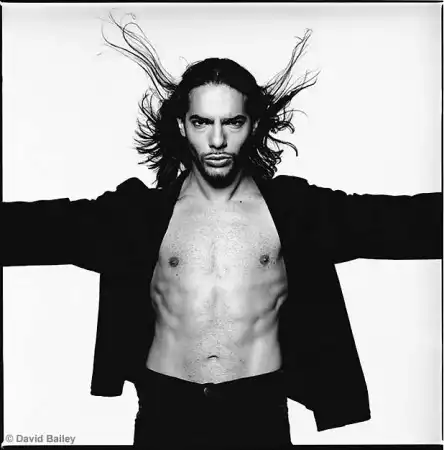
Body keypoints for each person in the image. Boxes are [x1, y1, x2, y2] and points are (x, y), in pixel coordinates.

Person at [3, 13, 442, 450]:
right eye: (201, 122)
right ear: (182, 125)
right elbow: (36, 230)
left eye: (232, 122)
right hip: (165, 410)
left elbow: (404, 222)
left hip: (258, 410)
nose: (216, 140)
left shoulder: (296, 212)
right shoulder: (139, 215)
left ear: (253, 125)